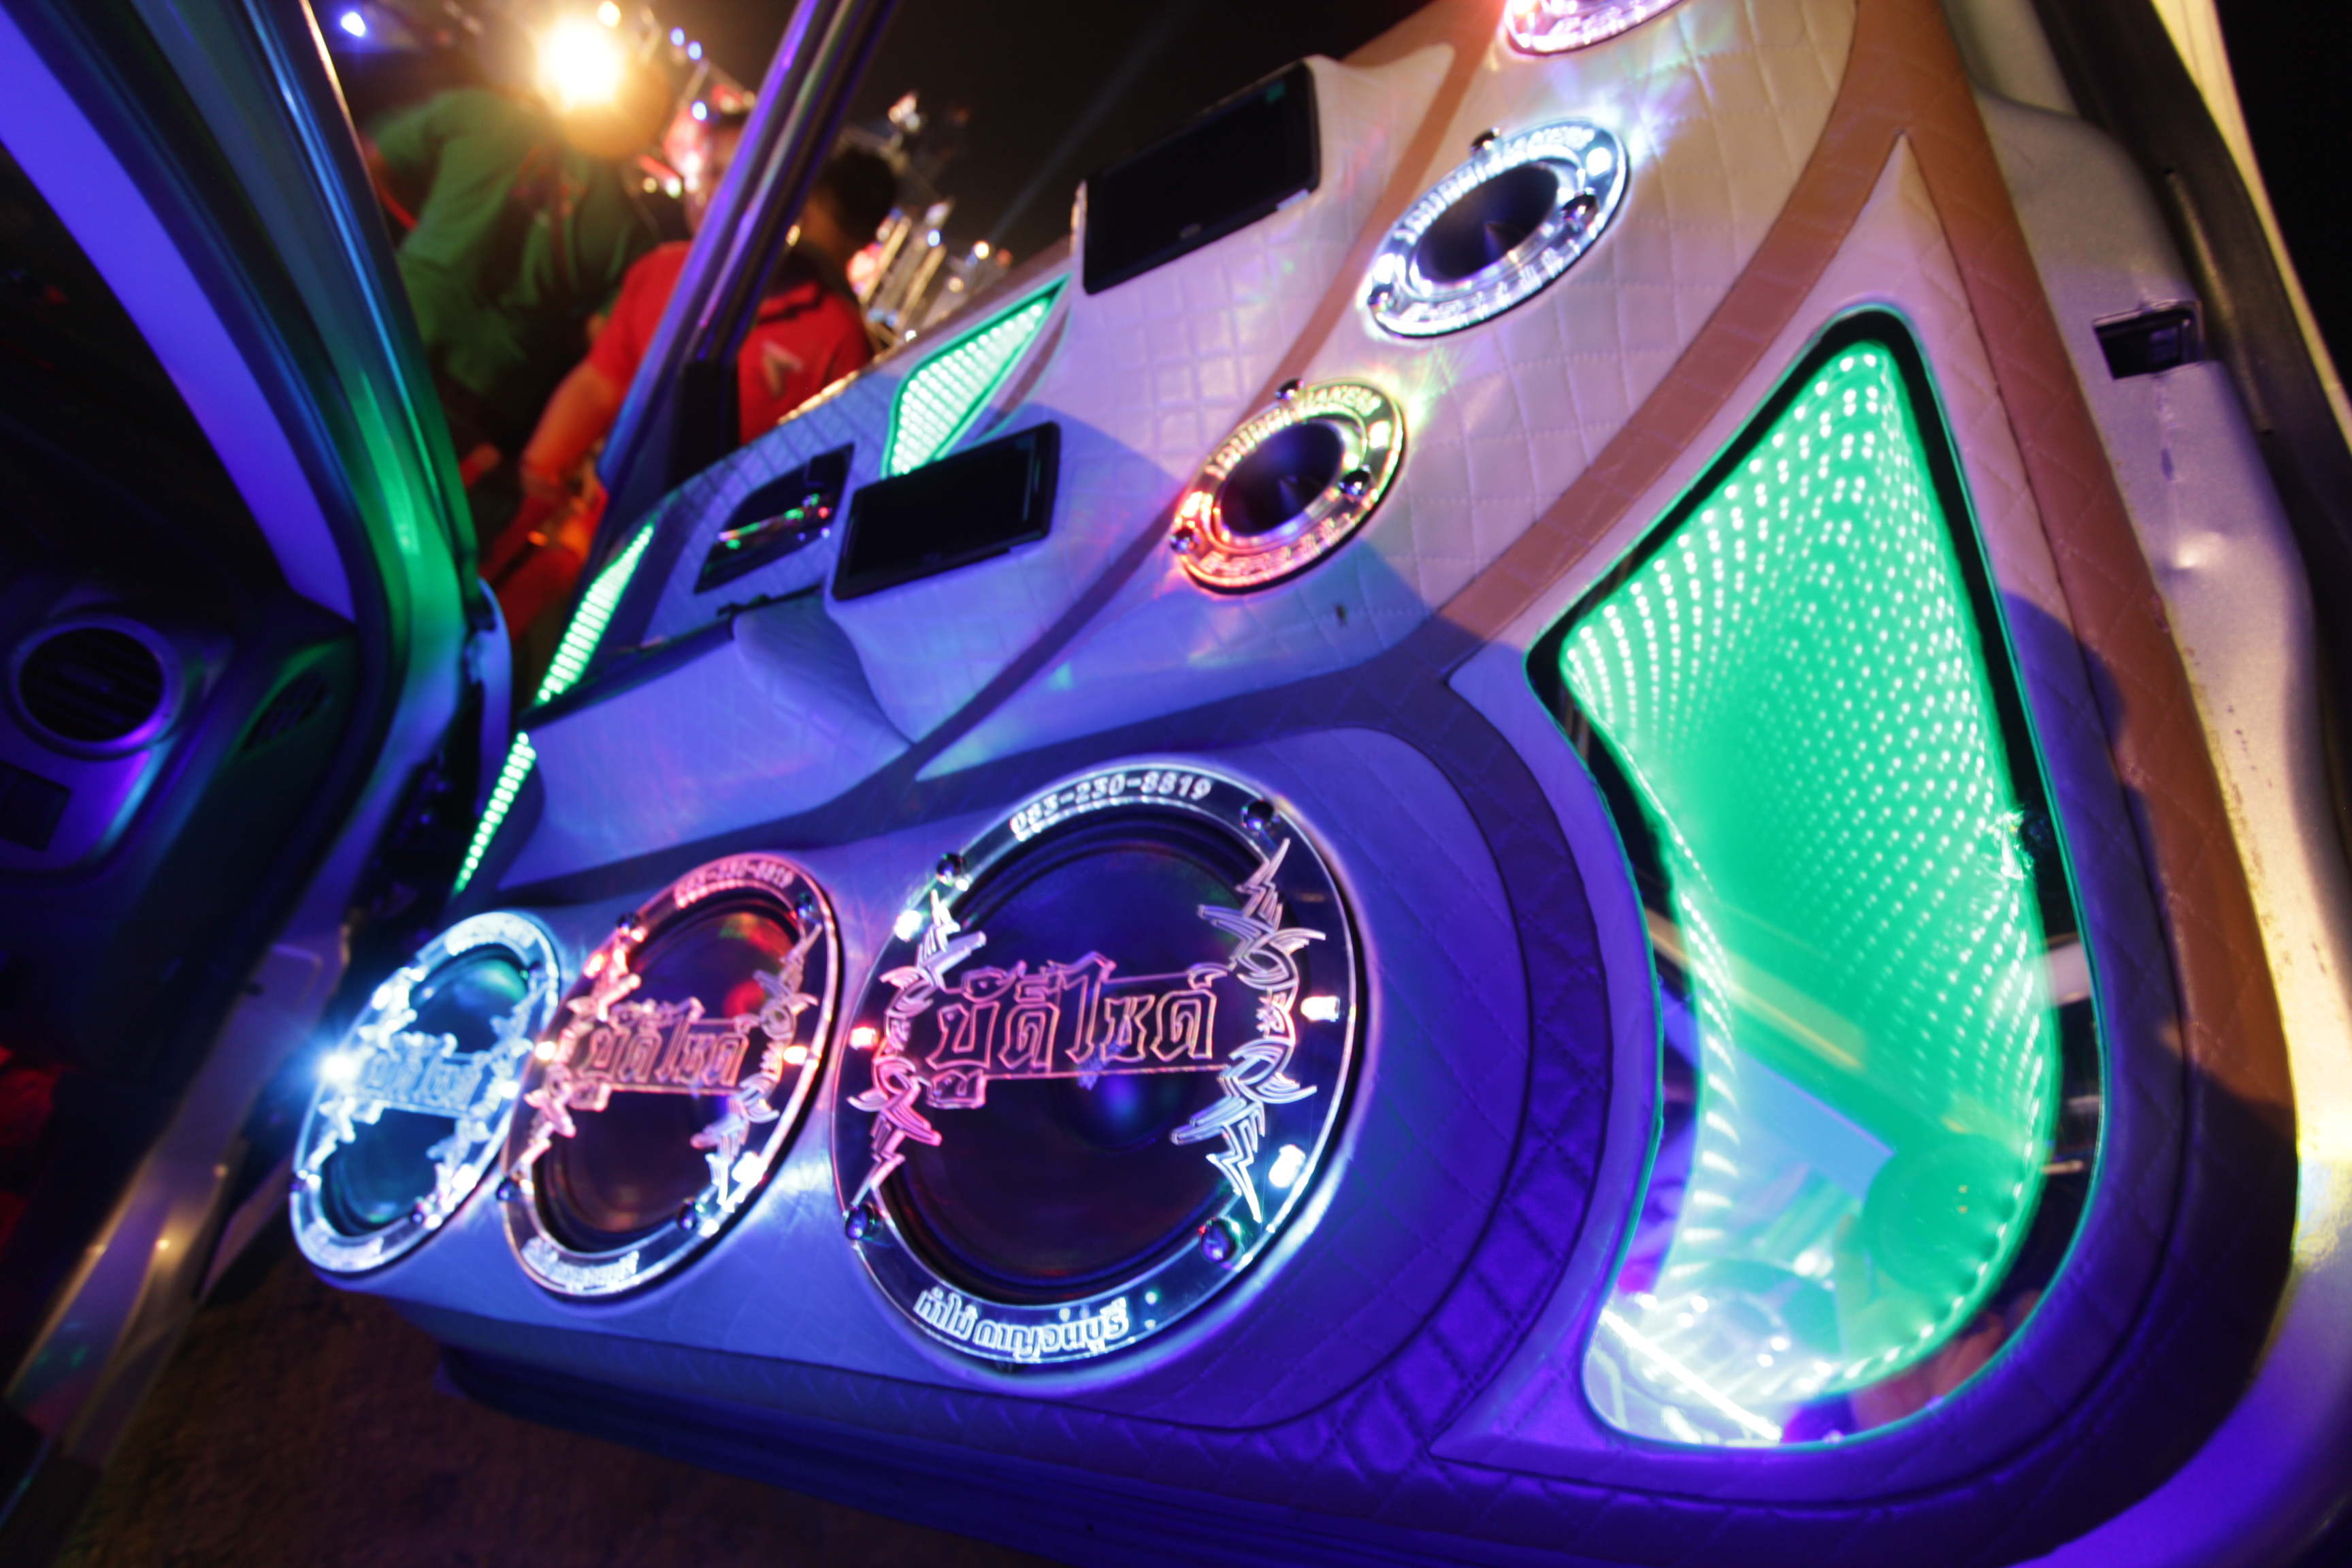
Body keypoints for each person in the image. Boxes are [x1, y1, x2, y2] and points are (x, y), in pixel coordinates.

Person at [486, 135, 896, 670]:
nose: (725, 191)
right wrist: (540, 473)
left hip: (679, 587)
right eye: (718, 173)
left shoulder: (835, 334)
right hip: (580, 534)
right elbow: (601, 380)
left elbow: (814, 491)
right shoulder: (663, 270)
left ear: (797, 203)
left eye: (749, 178)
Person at [365, 64, 672, 474]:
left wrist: (426, 228)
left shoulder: (482, 114)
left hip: (387, 326)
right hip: (483, 397)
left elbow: (372, 161)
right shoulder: (631, 237)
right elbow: (606, 352)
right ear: (645, 135)